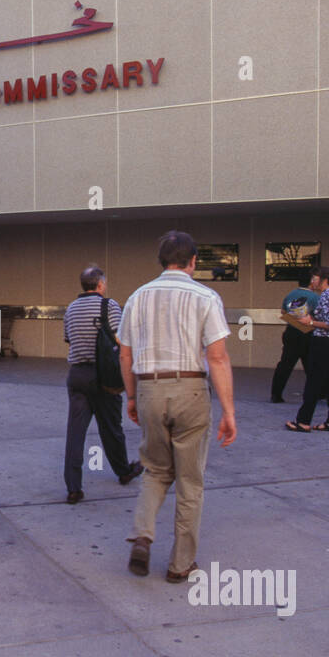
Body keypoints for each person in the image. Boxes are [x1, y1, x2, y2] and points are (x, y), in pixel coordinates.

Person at [119, 231, 237, 581]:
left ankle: (143, 534)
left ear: (161, 261)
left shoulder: (137, 297)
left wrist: (131, 396)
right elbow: (217, 357)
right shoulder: (206, 296)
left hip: (149, 389)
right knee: (190, 481)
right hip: (191, 389)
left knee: (155, 470)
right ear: (193, 261)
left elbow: (124, 353)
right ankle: (180, 564)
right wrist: (229, 412)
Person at [62, 265, 142, 503]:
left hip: (77, 375)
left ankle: (73, 488)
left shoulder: (71, 309)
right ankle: (124, 471)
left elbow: (69, 339)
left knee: (75, 433)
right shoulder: (109, 306)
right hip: (104, 376)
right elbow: (120, 340)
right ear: (100, 285)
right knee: (111, 428)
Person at [285, 267, 329, 433]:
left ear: (323, 280)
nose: (312, 282)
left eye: (314, 278)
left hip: (324, 343)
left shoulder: (328, 296)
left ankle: (303, 421)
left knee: (314, 382)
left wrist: (309, 322)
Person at [270, 271, 318, 403]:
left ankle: (276, 394)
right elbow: (318, 316)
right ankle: (315, 394)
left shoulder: (291, 295)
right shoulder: (314, 297)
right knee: (311, 366)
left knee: (285, 364)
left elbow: (283, 312)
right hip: (308, 334)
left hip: (291, 332)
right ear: (311, 282)